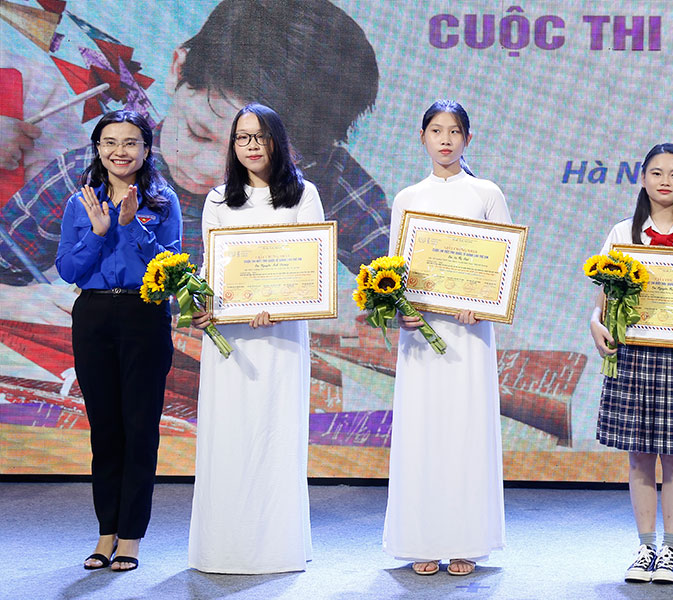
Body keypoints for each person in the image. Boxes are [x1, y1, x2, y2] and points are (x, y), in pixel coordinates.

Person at [1, 0, 387, 284]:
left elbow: (402, 275)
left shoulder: (326, 176)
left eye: (254, 159)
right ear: (178, 68)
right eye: (198, 133)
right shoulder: (95, 175)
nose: (209, 172)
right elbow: (5, 271)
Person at [187, 104, 322, 573]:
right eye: (242, 137)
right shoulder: (217, 200)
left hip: (282, 335)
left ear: (277, 141)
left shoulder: (303, 195)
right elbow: (210, 269)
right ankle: (223, 547)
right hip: (230, 338)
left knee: (275, 435)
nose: (251, 145)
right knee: (228, 436)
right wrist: (202, 306)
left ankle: (276, 547)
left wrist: (280, 305)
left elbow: (314, 267)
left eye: (260, 136)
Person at [382, 100, 508, 577]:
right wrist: (401, 310)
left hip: (470, 333)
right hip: (422, 335)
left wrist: (485, 304)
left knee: (465, 431)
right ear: (423, 137)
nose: (446, 139)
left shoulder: (486, 193)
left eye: (455, 131)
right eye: (436, 130)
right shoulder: (407, 197)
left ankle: (465, 541)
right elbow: (394, 270)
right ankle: (422, 539)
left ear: (467, 139)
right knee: (423, 432)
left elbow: (503, 264)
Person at [55, 110, 180, 571]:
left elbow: (171, 269)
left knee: (140, 429)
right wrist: (98, 232)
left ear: (146, 149)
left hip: (143, 314)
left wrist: (132, 226)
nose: (119, 151)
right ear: (98, 148)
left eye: (130, 143)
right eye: (109, 142)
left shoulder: (163, 200)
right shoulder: (80, 203)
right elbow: (68, 269)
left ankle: (130, 536)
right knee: (104, 429)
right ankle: (105, 532)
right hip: (93, 315)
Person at [589, 143, 673, 585]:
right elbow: (601, 301)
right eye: (657, 172)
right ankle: (645, 547)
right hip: (634, 355)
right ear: (642, 178)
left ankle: (671, 552)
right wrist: (594, 324)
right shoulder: (622, 232)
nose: (665, 181)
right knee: (640, 456)